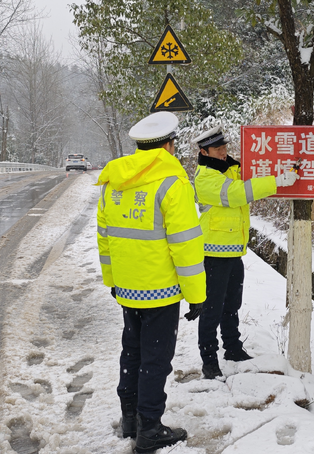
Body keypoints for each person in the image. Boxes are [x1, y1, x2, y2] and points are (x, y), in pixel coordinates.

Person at [97, 112, 206, 453]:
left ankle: (130, 419)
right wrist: (196, 294)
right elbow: (185, 245)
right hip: (160, 289)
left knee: (132, 351)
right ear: (169, 145)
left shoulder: (114, 181)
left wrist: (114, 280)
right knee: (155, 358)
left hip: (128, 288)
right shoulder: (172, 184)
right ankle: (150, 428)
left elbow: (105, 238)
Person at [192, 126, 299, 379]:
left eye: (225, 148)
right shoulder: (205, 178)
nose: (223, 153)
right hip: (213, 254)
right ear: (203, 151)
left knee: (231, 305)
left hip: (233, 252)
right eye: (217, 149)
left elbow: (254, 174)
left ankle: (233, 348)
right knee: (212, 309)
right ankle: (209, 360)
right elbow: (237, 193)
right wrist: (276, 181)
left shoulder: (229, 168)